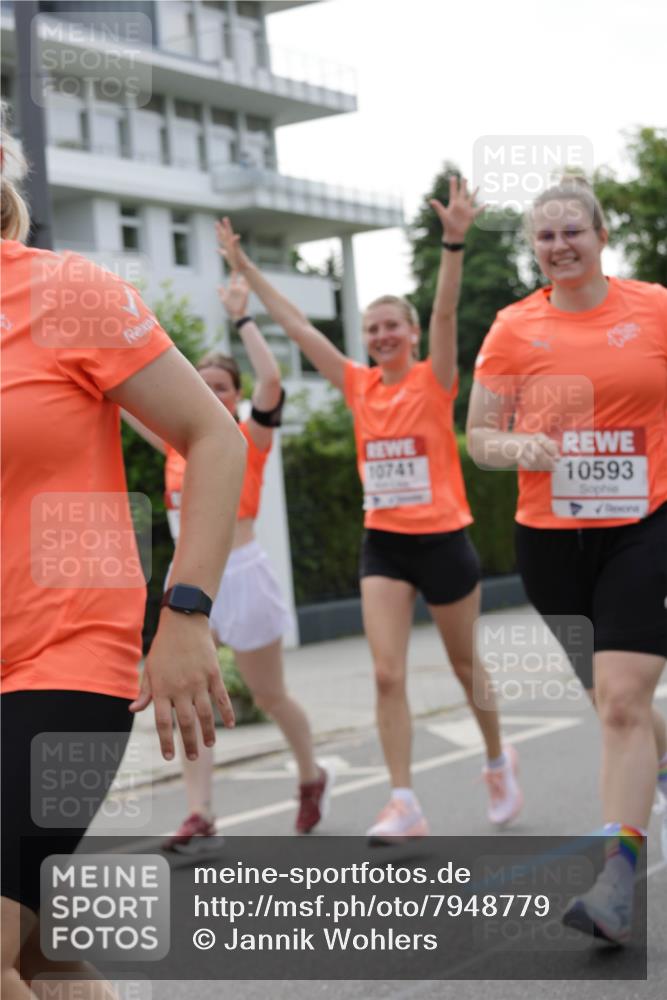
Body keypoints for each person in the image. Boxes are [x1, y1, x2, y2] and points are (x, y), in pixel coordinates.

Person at [1, 112, 246, 998]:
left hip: (62, 659)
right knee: (37, 957)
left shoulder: (67, 293)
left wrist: (186, 613)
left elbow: (215, 437)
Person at [217, 178, 524, 843]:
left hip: (445, 541)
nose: (382, 335)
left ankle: (498, 758)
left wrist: (452, 243)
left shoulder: (433, 380)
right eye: (372, 329)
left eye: (392, 326)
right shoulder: (356, 385)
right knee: (386, 673)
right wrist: (244, 271)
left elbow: (446, 314)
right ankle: (404, 801)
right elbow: (298, 327)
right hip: (383, 543)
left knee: (465, 668)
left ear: (410, 334)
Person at [467, 176, 667, 943]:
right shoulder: (512, 329)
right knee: (613, 703)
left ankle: (616, 883)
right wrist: (516, 444)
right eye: (544, 236)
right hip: (548, 540)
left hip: (643, 527)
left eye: (571, 231)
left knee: (618, 700)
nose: (559, 246)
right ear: (533, 249)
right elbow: (480, 435)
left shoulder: (651, 307)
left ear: (600, 235)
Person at [125, 263, 333, 843]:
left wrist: (242, 316)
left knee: (269, 693)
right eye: (203, 386)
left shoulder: (248, 439)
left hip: (243, 574)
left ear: (236, 398)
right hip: (189, 581)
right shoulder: (174, 440)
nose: (212, 395)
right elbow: (118, 394)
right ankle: (201, 812)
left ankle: (311, 775)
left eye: (222, 388)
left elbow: (271, 380)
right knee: (188, 699)